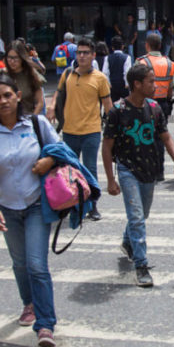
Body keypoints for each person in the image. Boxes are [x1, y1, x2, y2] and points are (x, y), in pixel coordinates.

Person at [0, 74, 60, 347]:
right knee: (20, 263)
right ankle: (29, 303)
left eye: (7, 95)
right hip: (7, 208)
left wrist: (48, 161)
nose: (3, 101)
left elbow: (61, 150)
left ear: (17, 96)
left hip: (36, 204)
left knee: (37, 264)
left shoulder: (37, 124)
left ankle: (45, 324)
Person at [102, 63, 174, 287]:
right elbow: (107, 146)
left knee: (142, 214)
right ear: (137, 84)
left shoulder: (155, 108)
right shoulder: (117, 111)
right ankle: (141, 265)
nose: (154, 85)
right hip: (128, 169)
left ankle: (128, 241)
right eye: (150, 81)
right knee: (137, 217)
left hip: (150, 170)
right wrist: (111, 179)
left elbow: (166, 137)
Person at [48, 37, 112, 221]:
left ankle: (92, 206)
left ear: (93, 56)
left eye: (86, 53)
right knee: (69, 170)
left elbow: (107, 104)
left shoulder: (100, 78)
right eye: (79, 52)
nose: (82, 56)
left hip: (91, 131)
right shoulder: (68, 74)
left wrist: (114, 129)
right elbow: (59, 93)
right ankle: (72, 203)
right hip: (69, 130)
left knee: (90, 169)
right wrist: (52, 107)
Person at [136, 31, 174, 120]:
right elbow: (171, 88)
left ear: (146, 45)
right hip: (163, 104)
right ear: (160, 46)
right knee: (162, 130)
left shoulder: (141, 62)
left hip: (146, 104)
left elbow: (136, 86)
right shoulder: (169, 63)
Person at [0, 40, 46, 117]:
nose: (12, 61)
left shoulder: (31, 74)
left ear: (22, 57)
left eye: (15, 58)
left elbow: (40, 103)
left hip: (26, 120)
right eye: (9, 58)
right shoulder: (1, 74)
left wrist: (32, 120)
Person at [103, 36, 132, 103]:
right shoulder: (127, 57)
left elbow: (105, 73)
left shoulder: (107, 58)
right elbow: (127, 72)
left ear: (112, 47)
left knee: (113, 107)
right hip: (123, 86)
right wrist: (127, 84)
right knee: (125, 106)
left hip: (112, 86)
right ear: (122, 46)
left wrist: (109, 84)